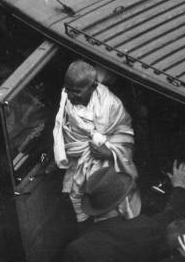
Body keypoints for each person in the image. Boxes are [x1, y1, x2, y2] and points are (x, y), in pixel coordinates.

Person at [54, 60, 140, 222]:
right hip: (78, 162)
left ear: (93, 87)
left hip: (105, 166)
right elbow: (62, 129)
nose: (71, 95)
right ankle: (84, 224)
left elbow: (126, 134)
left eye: (77, 92)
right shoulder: (66, 98)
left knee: (111, 201)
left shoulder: (112, 105)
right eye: (68, 90)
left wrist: (110, 152)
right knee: (78, 198)